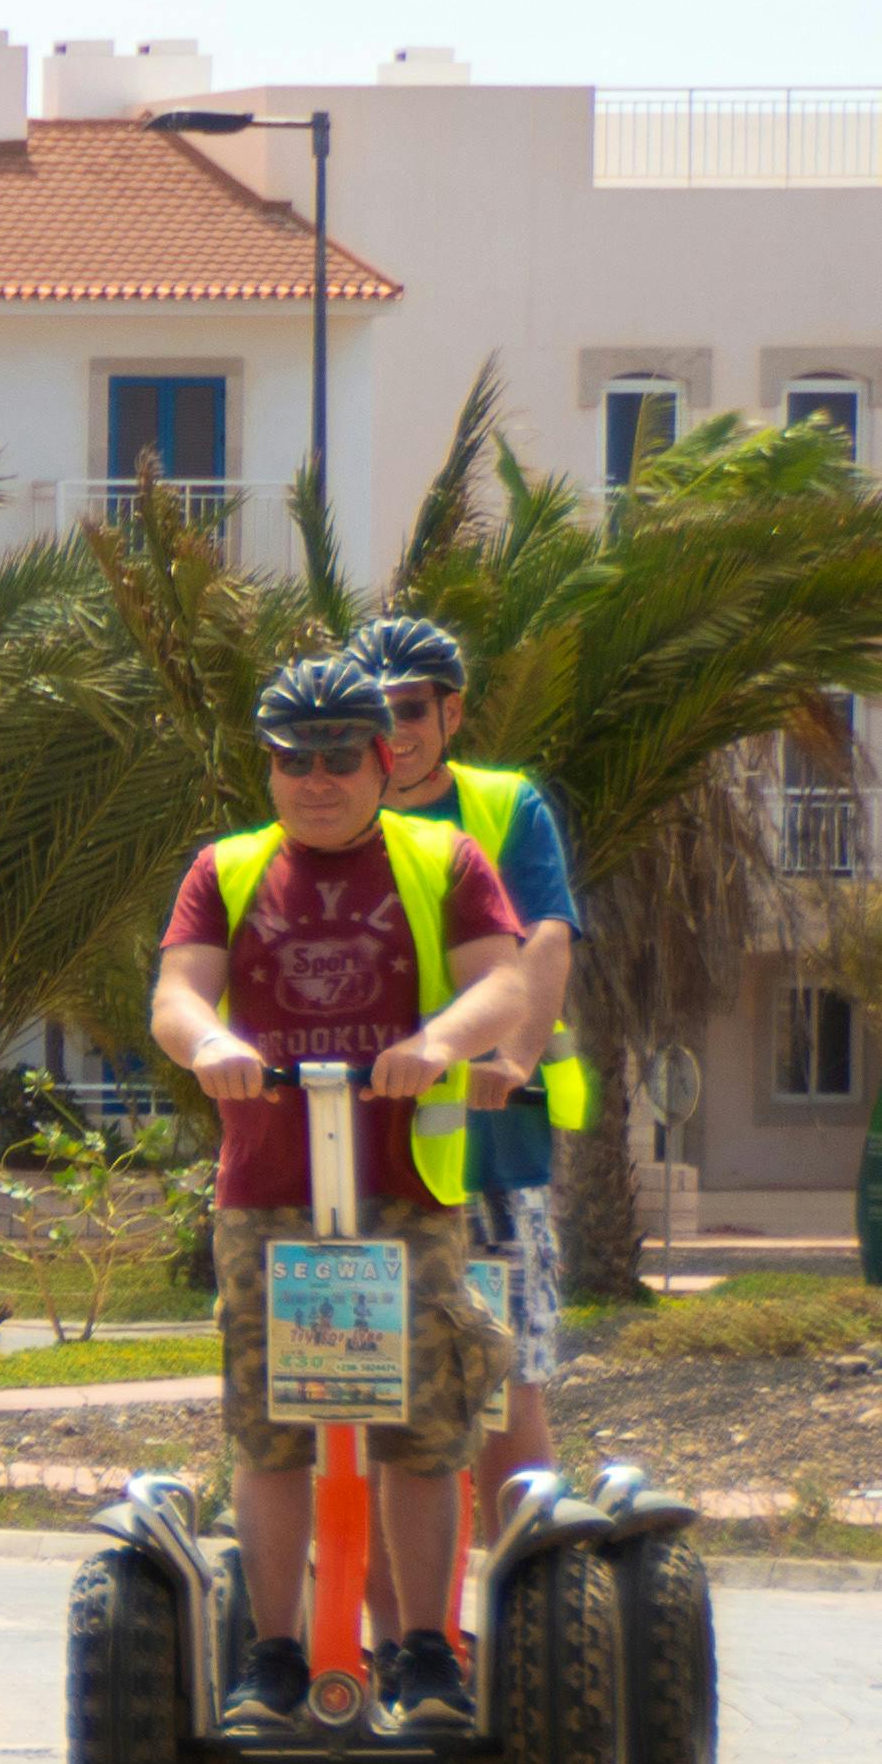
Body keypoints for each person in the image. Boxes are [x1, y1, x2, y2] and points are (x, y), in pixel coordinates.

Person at [148, 653, 531, 1734]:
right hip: (268, 1190)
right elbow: (176, 992)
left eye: (337, 756)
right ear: (268, 768)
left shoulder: (442, 856)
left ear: (383, 757)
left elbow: (501, 977)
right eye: (292, 758)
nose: (316, 779)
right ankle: (273, 1656)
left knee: (422, 1426)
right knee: (275, 1428)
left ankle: (425, 1654)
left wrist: (436, 1040)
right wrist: (213, 1042)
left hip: (407, 1188)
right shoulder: (224, 868)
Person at [355, 611, 581, 1552]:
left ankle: (531, 1607)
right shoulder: (330, 812)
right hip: (361, 1155)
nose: (395, 732)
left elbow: (547, 938)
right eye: (375, 712)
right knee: (363, 1395)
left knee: (505, 1386)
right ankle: (393, 1641)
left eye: (411, 709)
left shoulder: (503, 808)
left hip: (490, 1150)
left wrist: (515, 1055)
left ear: (453, 714)